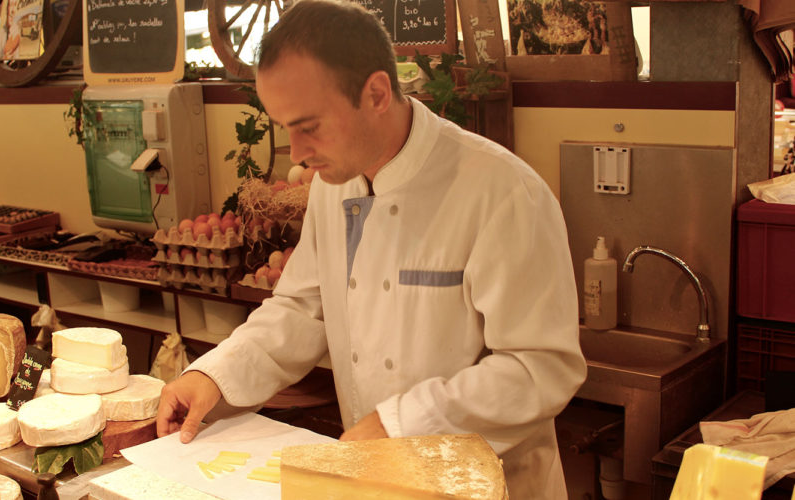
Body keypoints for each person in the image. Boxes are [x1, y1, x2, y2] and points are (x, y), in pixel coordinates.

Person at [156, 0, 587, 496]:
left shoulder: (504, 193)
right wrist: (215, 376)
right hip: (377, 481)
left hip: (491, 487)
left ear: (377, 93)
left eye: (308, 126)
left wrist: (401, 423)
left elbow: (541, 367)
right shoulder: (332, 184)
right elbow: (302, 308)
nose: (295, 154)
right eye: (284, 128)